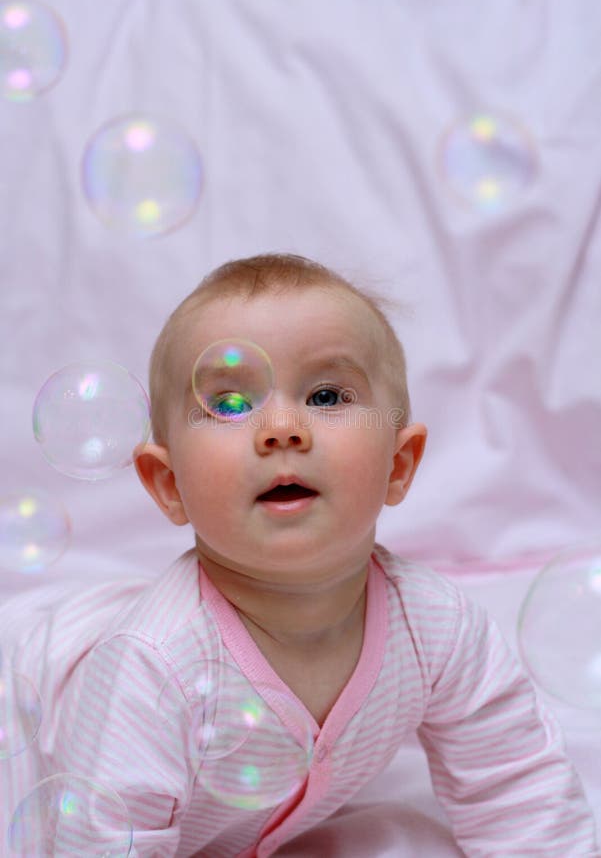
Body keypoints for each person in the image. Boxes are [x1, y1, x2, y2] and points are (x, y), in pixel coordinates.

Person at [0, 252, 598, 857]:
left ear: (398, 464)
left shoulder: (437, 628)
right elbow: (102, 844)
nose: (282, 429)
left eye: (327, 396)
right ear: (168, 484)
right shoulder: (152, 666)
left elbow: (517, 789)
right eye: (231, 405)